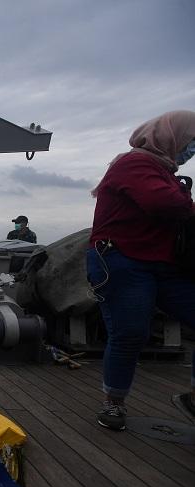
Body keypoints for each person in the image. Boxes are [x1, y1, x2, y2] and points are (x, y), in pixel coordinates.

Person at [86, 110, 195, 431]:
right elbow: (160, 203)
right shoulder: (134, 164)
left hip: (162, 265)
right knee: (129, 333)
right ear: (172, 136)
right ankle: (114, 403)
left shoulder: (163, 171)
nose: (191, 151)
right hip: (122, 261)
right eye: (191, 142)